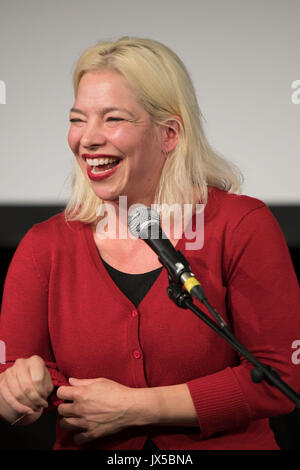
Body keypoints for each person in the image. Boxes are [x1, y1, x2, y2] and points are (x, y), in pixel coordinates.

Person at [0, 36, 299, 451]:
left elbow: (281, 377)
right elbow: (14, 385)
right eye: (78, 119)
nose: (87, 139)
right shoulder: (45, 246)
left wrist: (139, 407)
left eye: (113, 119)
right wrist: (18, 392)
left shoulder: (241, 225)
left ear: (169, 134)